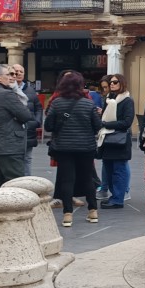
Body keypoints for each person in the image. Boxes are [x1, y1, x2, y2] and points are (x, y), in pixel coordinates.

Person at [45, 71, 101, 227]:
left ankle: (67, 215)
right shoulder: (88, 103)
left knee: (67, 180)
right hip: (86, 147)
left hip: (64, 148)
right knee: (88, 178)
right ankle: (93, 211)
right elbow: (97, 126)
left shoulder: (56, 103)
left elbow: (48, 126)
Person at [0, 63, 34, 189]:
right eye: (8, 74)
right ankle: (17, 209)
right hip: (9, 145)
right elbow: (26, 115)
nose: (11, 77)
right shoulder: (6, 94)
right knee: (16, 183)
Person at [97, 74, 135, 209]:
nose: (111, 84)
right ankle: (114, 196)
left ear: (122, 83)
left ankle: (118, 199)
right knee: (108, 169)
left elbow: (127, 122)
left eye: (115, 82)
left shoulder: (127, 101)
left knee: (119, 170)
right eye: (111, 82)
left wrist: (107, 124)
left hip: (119, 140)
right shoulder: (109, 99)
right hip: (107, 139)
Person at [11, 64, 43, 176]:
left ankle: (27, 184)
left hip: (29, 129)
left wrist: (37, 121)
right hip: (12, 130)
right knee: (14, 160)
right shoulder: (7, 89)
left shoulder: (30, 90)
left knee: (27, 158)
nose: (19, 73)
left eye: (21, 71)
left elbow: (38, 107)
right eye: (16, 71)